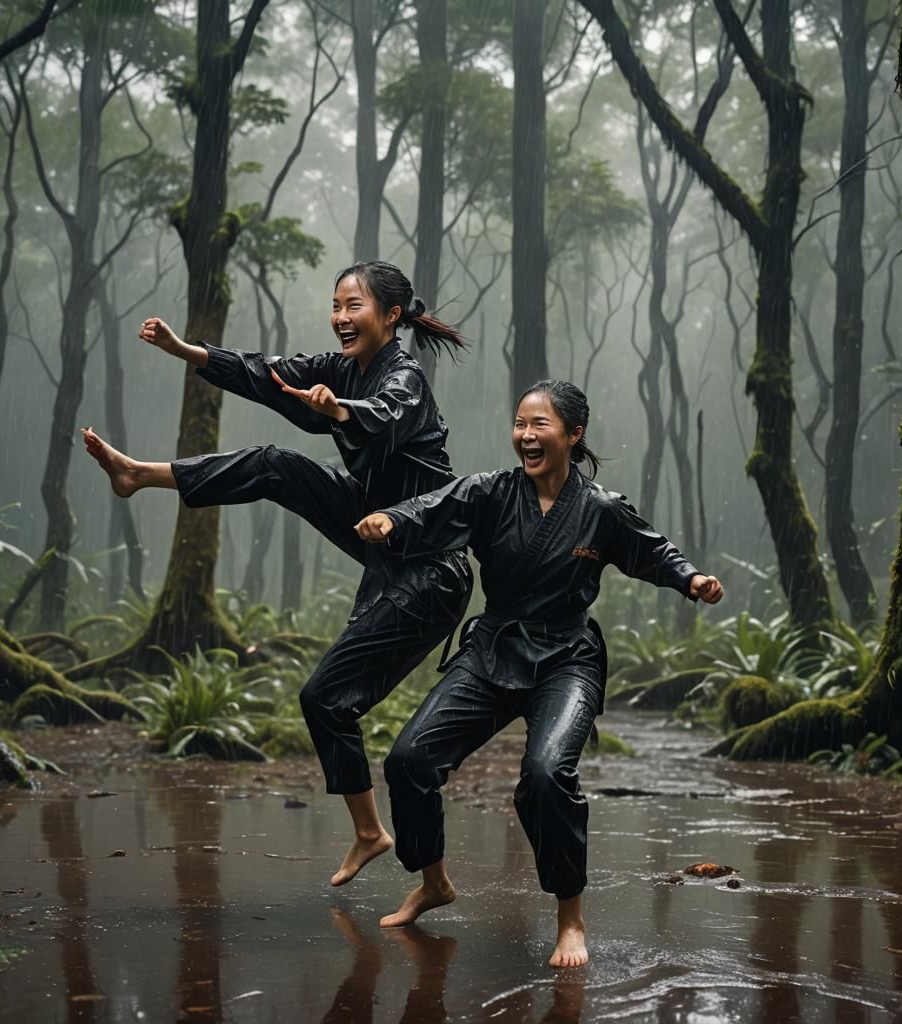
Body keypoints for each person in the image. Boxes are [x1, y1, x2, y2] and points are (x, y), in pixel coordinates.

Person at [82, 261, 473, 887]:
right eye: (337, 306)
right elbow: (265, 374)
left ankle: (380, 838)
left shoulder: (404, 378)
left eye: (355, 307)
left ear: (392, 316)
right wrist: (187, 349)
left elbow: (384, 414)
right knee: (274, 464)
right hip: (376, 534)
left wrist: (342, 411)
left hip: (430, 562)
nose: (341, 318)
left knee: (325, 700)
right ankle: (140, 475)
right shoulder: (339, 366)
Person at [354, 379, 723, 967]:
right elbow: (434, 507)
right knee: (409, 761)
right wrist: (392, 521)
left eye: (540, 425)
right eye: (520, 424)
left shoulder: (600, 509)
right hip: (493, 649)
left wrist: (690, 578)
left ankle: (571, 918)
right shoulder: (490, 493)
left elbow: (652, 550)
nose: (525, 435)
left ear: (574, 435)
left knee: (548, 775)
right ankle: (434, 882)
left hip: (567, 658)